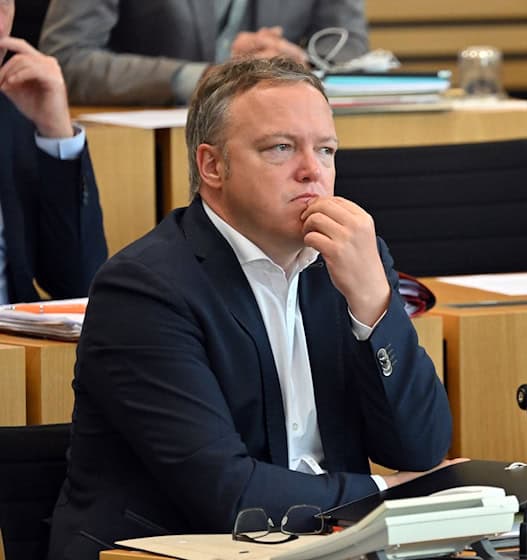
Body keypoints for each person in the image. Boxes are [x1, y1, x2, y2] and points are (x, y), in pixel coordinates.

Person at [47, 57, 452, 560]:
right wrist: (389, 494)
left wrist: (374, 305)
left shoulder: (351, 261)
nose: (312, 171)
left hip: (328, 544)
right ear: (212, 166)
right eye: (281, 148)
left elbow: (420, 449)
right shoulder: (145, 289)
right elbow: (228, 495)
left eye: (325, 150)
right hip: (165, 552)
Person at [39, 0, 369, 105]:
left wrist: (298, 63)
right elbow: (65, 59)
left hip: (278, 139)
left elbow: (351, 47)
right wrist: (205, 78)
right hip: (148, 154)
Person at [0, 0, 106, 304]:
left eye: (5, 4)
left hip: (16, 344)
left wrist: (56, 133)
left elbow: (80, 283)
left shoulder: (14, 109)